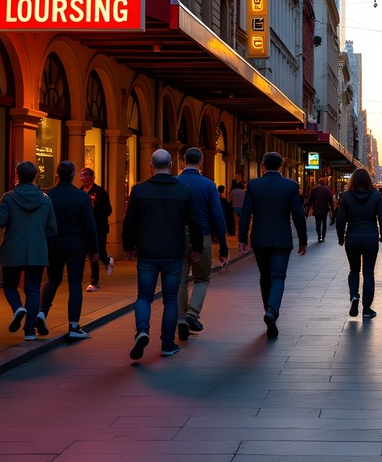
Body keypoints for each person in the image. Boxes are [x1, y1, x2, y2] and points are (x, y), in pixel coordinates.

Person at [122, 149, 202, 359]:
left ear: (151, 165)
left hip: (147, 250)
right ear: (172, 165)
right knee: (170, 299)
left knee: (144, 296)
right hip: (173, 251)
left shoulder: (139, 190)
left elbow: (130, 221)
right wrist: (197, 248)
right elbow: (195, 221)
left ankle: (142, 330)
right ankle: (167, 343)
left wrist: (128, 246)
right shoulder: (183, 190)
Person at [238, 151, 308, 339]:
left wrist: (242, 237)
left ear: (262, 165)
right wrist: (303, 240)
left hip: (260, 239)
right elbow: (298, 215)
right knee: (278, 277)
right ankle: (272, 312)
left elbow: (246, 213)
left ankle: (269, 311)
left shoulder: (253, 185)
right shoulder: (291, 186)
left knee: (264, 277)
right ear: (281, 166)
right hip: (282, 239)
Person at [0, 161, 57, 342]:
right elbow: (53, 229)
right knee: (33, 289)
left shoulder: (9, 197)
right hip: (37, 251)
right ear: (36, 176)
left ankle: (18, 308)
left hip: (13, 249)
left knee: (9, 284)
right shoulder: (45, 199)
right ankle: (29, 331)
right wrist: (43, 243)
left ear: (16, 176)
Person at [37, 161, 98, 340]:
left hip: (54, 244)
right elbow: (89, 225)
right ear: (72, 175)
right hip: (75, 244)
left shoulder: (48, 196)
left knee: (53, 279)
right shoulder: (81, 197)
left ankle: (41, 313)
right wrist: (94, 249)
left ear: (58, 174)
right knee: (74, 284)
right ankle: (73, 326)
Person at [176, 147, 229, 341]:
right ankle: (192, 314)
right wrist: (223, 245)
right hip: (203, 236)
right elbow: (217, 215)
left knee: (180, 281)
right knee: (202, 278)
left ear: (183, 161)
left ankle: (181, 318)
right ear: (200, 162)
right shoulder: (208, 185)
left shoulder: (175, 182)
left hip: (179, 237)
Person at [335, 168, 382, 318]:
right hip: (370, 238)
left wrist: (341, 238)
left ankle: (354, 296)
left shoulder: (346, 196)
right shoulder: (376, 195)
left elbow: (340, 221)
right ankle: (366, 309)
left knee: (354, 270)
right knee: (368, 273)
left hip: (352, 238)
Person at [79, 167, 114, 292]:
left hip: (99, 228)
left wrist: (98, 216)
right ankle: (94, 281)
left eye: (85, 175)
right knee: (91, 253)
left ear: (92, 177)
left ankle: (106, 261)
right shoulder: (80, 192)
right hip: (85, 229)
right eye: (81, 175)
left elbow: (108, 209)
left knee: (99, 252)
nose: (82, 177)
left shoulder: (99, 192)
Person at [305, 178, 335, 242]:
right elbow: (331, 202)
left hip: (317, 209)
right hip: (324, 209)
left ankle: (319, 235)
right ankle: (323, 236)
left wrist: (307, 213)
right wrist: (333, 213)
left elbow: (309, 201)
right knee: (324, 223)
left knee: (318, 223)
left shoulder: (314, 189)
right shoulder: (327, 190)